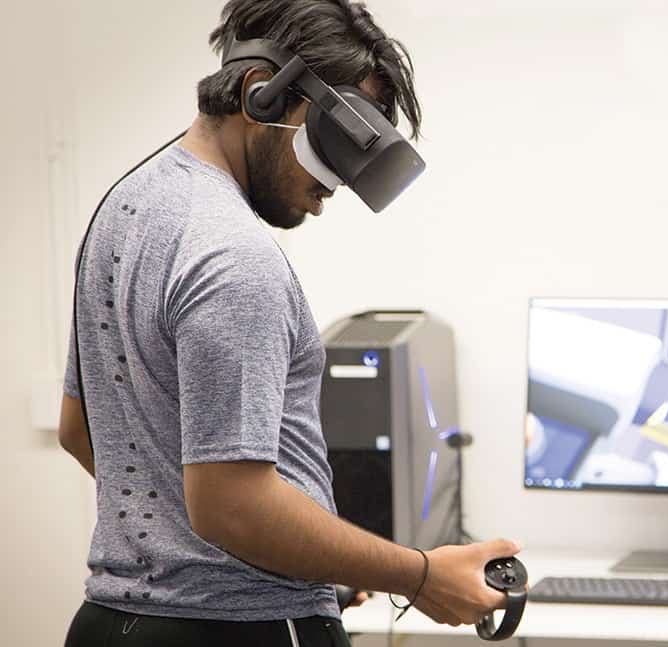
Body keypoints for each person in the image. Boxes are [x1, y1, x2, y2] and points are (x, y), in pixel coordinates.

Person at [58, 1, 519, 645]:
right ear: (260, 95)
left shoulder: (122, 211)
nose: (330, 193)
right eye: (331, 148)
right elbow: (232, 505)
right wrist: (417, 575)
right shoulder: (235, 256)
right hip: (244, 630)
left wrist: (300, 552)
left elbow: (83, 432)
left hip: (110, 625)